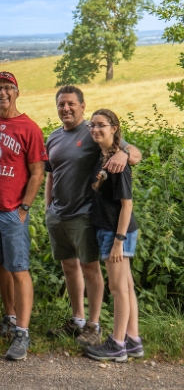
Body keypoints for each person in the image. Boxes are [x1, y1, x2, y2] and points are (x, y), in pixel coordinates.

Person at [45, 86, 141, 347]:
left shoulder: (93, 131)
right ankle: (77, 319)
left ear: (82, 106)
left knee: (90, 269)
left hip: (85, 215)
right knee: (68, 266)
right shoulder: (53, 137)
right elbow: (50, 174)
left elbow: (136, 154)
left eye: (71, 104)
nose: (66, 108)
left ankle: (94, 324)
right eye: (61, 104)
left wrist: (123, 152)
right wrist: (47, 208)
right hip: (57, 215)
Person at [0, 71, 47, 361]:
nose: (2, 93)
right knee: (1, 267)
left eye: (7, 88)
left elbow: (37, 173)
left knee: (19, 269)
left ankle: (22, 332)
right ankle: (8, 318)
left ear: (17, 92)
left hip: (12, 212)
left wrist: (24, 209)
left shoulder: (29, 128)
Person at [83, 109, 143, 362]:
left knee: (118, 288)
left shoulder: (119, 164)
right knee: (126, 287)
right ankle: (133, 339)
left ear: (114, 128)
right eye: (92, 125)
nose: (96, 130)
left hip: (116, 232)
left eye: (101, 125)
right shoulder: (105, 156)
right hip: (110, 229)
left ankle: (117, 344)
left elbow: (126, 205)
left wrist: (118, 242)